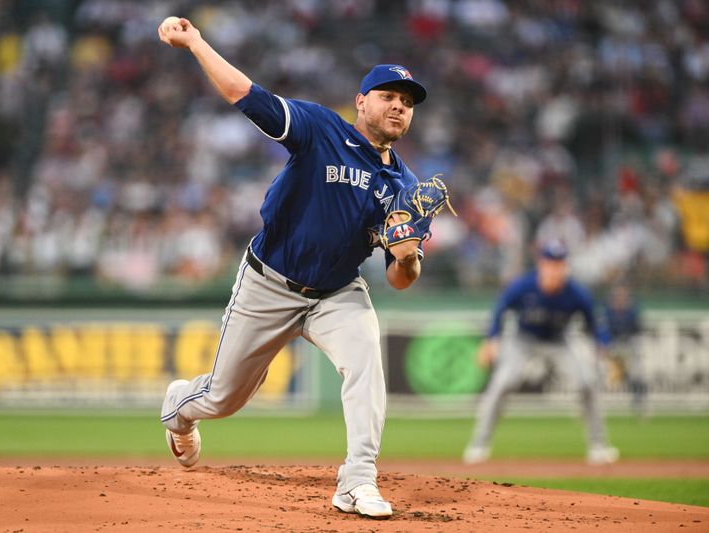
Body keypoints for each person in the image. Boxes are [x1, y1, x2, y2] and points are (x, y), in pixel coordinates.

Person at [157, 16, 433, 519]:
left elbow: (400, 280)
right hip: (270, 282)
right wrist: (196, 41)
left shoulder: (407, 188)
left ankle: (357, 481)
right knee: (224, 399)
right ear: (361, 101)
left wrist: (407, 254)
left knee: (367, 360)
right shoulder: (320, 128)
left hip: (336, 291)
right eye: (389, 95)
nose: (399, 105)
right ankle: (179, 407)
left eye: (408, 101)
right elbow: (245, 94)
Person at [463, 240, 619, 465]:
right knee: (502, 384)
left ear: (566, 266)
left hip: (559, 340)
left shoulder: (576, 293)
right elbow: (500, 308)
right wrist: (491, 340)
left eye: (559, 263)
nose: (555, 268)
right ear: (541, 265)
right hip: (523, 339)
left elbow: (595, 325)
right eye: (550, 263)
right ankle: (479, 444)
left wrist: (605, 349)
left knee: (587, 382)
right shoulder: (524, 286)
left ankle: (599, 446)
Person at [601, 283, 647, 416]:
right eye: (617, 295)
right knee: (604, 374)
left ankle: (639, 405)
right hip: (614, 347)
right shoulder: (608, 312)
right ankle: (598, 406)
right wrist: (605, 347)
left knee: (637, 373)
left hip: (629, 346)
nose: (620, 298)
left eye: (623, 295)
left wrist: (633, 349)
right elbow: (604, 331)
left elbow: (638, 333)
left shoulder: (633, 312)